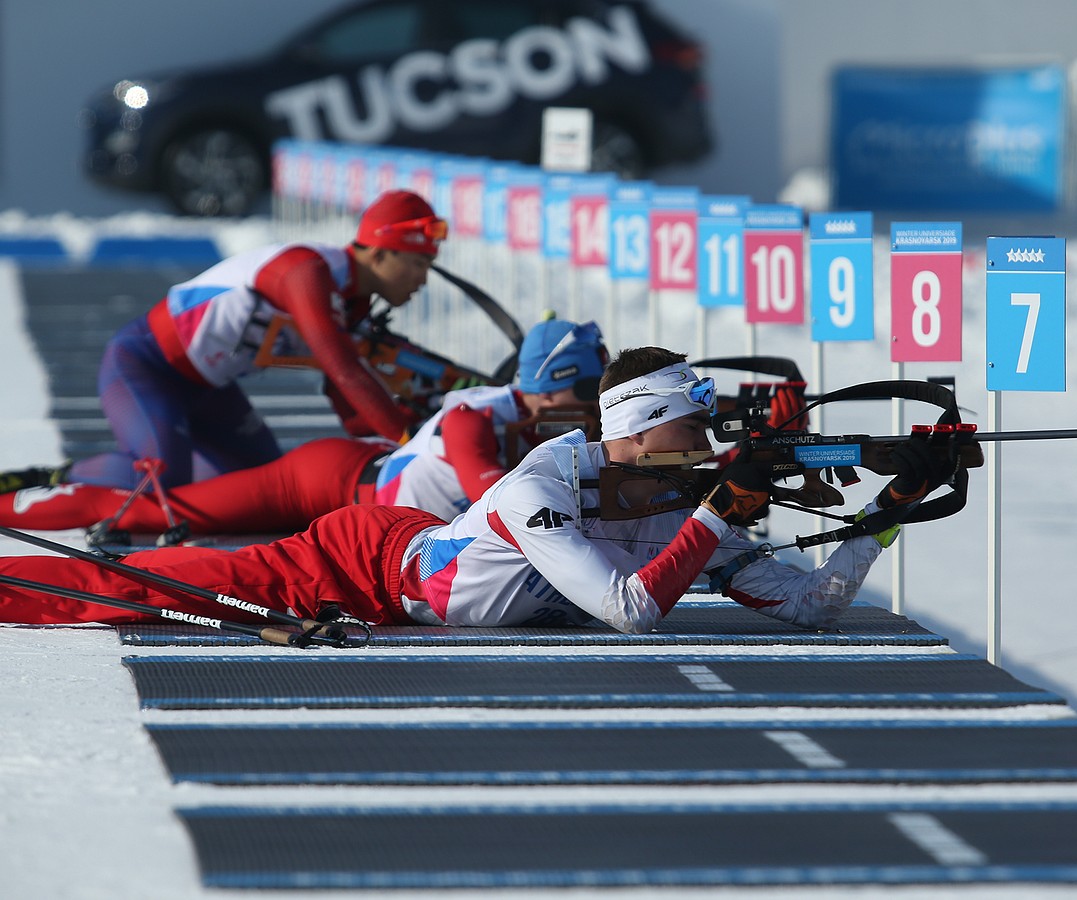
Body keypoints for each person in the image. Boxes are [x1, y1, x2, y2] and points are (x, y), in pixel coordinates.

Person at [0, 347, 950, 633]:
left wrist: (887, 516)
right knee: (157, 581)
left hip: (418, 544)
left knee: (169, 552)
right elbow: (629, 611)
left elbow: (815, 605)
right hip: (363, 557)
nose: (707, 443)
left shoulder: (676, 495)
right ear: (632, 430)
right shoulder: (548, 477)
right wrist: (711, 514)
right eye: (690, 424)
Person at [0, 317, 608, 537]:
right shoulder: (478, 417)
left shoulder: (534, 417)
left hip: (365, 489)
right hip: (326, 482)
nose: (596, 405)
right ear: (555, 381)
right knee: (158, 512)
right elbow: (500, 504)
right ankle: (11, 510)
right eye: (590, 389)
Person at [63, 190, 448, 491]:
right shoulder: (308, 272)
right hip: (145, 366)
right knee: (163, 480)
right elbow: (343, 367)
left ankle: (164, 455)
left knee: (259, 478)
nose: (423, 280)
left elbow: (343, 396)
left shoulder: (354, 300)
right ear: (381, 254)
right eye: (418, 264)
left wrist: (383, 453)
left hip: (208, 387)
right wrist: (409, 443)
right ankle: (58, 478)